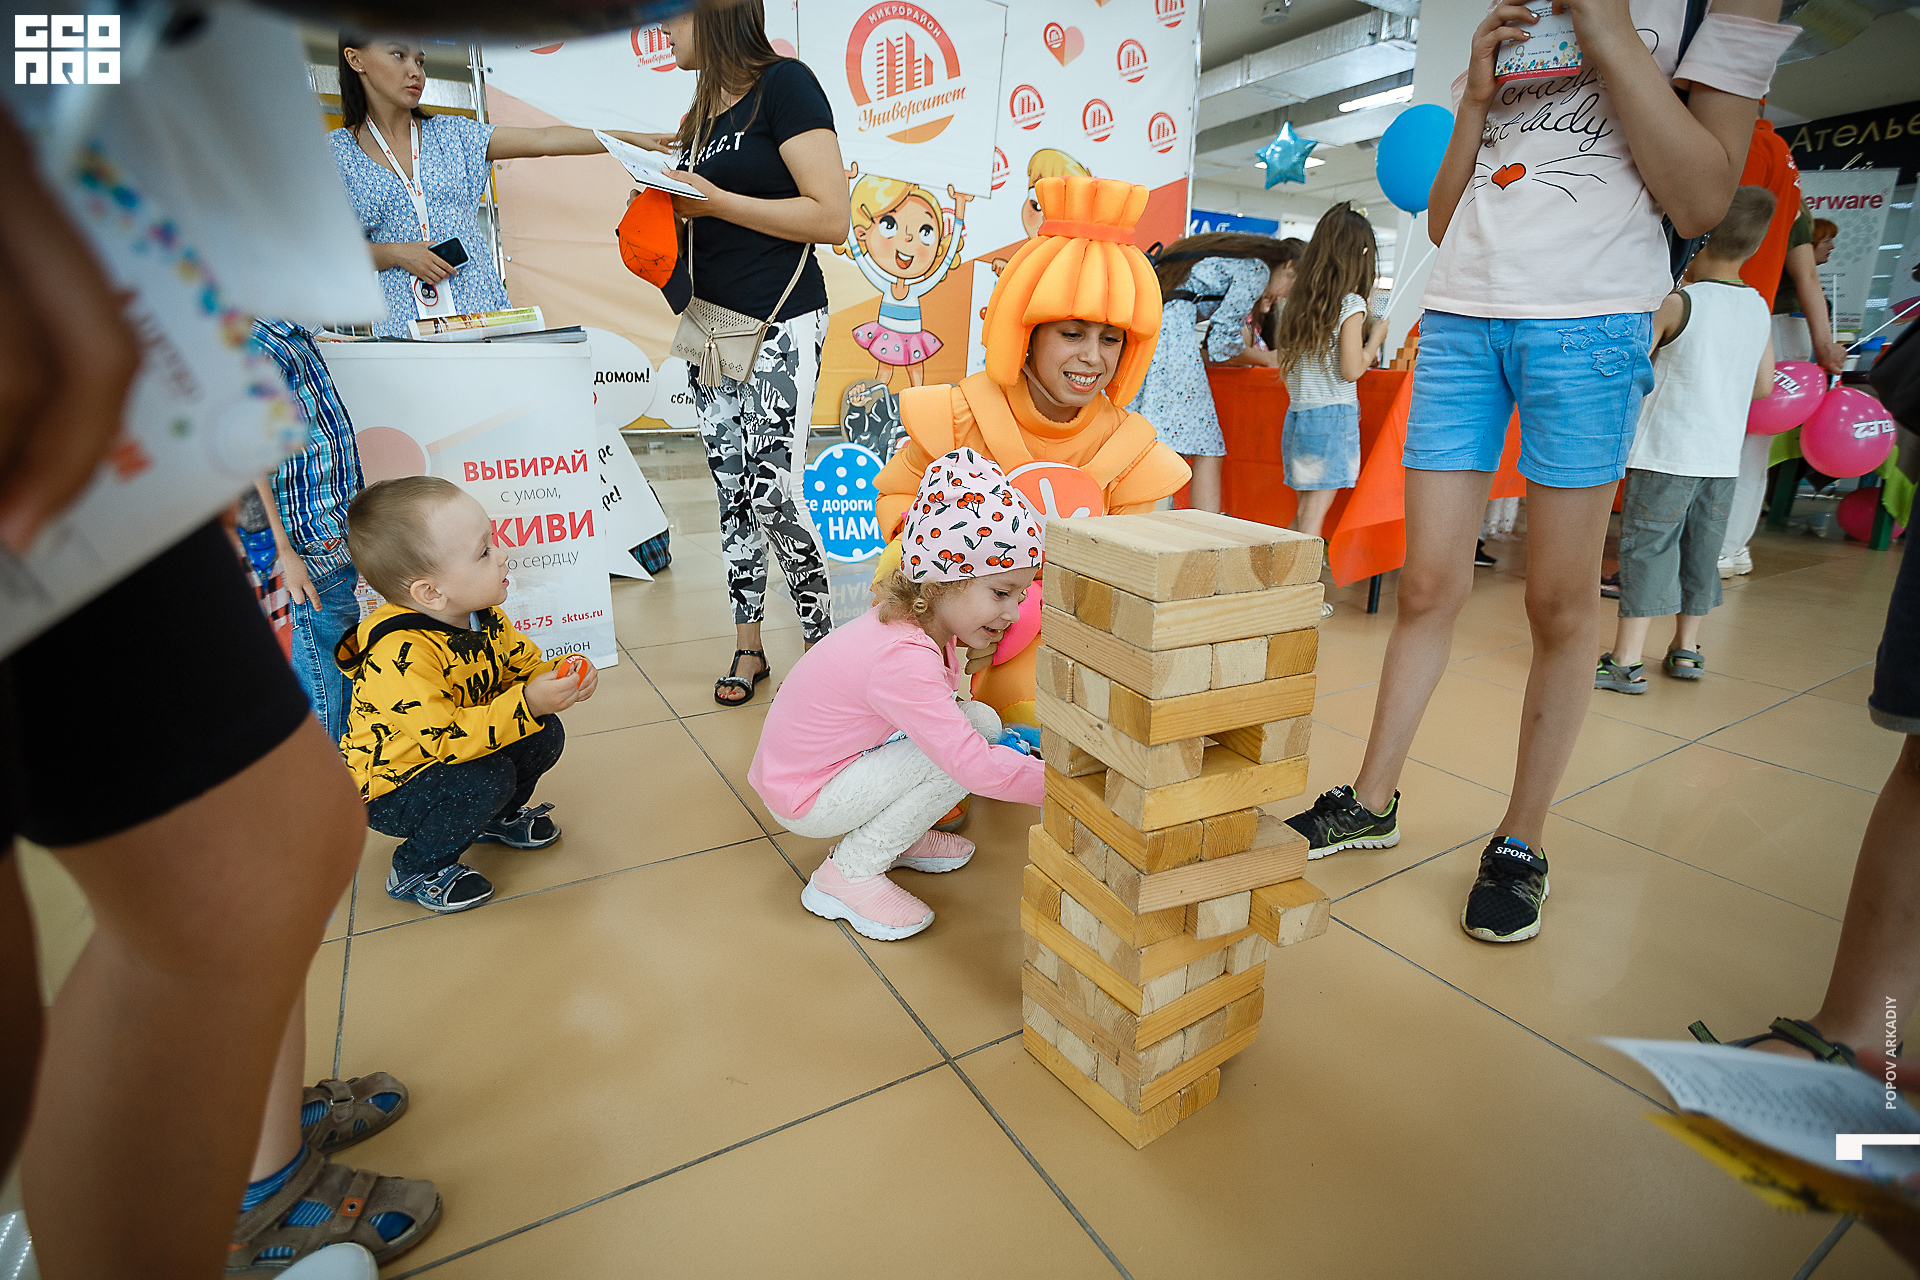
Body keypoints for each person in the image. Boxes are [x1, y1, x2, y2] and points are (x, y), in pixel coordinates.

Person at [1284, 0, 1796, 944]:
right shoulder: (1517, 14)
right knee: (1426, 584)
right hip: (1462, 320)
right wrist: (1476, 100)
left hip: (1594, 319)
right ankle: (1372, 799)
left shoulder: (1713, 9)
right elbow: (1447, 219)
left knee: (1559, 603)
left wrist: (1607, 27)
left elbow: (1700, 203)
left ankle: (1521, 840)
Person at [872, 175, 1191, 720]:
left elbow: (1126, 578)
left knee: (1040, 712)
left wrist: (1028, 609)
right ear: (1028, 332)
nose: (1092, 357)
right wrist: (956, 596)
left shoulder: (1129, 450)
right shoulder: (960, 416)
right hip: (942, 618)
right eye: (1072, 333)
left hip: (1062, 634)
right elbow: (901, 507)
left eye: (1110, 339)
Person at [749, 449, 1045, 941]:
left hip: (823, 769)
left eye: (1021, 594)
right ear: (943, 581)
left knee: (981, 723)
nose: (1014, 613)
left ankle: (896, 837)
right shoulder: (903, 657)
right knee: (956, 756)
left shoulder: (920, 626)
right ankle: (848, 874)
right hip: (806, 794)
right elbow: (969, 764)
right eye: (1000, 592)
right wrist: (1063, 786)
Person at [657, 2, 848, 704]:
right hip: (710, 328)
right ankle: (749, 647)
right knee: (731, 491)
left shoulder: (784, 84)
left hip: (778, 320)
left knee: (773, 492)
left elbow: (832, 216)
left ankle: (827, 653)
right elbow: (701, 215)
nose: (663, 30)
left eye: (673, 15)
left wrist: (715, 202)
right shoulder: (700, 117)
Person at [337, 477, 596, 914]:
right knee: (485, 778)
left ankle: (495, 818)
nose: (503, 554)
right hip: (392, 785)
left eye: (493, 541)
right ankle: (417, 867)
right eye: (484, 552)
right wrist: (528, 703)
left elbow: (523, 665)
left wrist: (560, 674)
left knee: (544, 733)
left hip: (458, 752)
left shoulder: (482, 617)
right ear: (431, 593)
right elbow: (448, 739)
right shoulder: (400, 655)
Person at [330, 32, 663, 337]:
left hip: (480, 314)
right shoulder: (336, 153)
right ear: (355, 59)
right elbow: (330, 251)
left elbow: (545, 139)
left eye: (420, 61)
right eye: (398, 55)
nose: (415, 71)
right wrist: (398, 254)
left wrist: (623, 139)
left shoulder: (453, 135)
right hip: (404, 328)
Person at [1596, 187, 1778, 694]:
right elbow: (1764, 386)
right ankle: (1686, 649)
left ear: (1697, 236)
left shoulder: (1679, 303)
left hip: (1666, 452)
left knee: (1648, 549)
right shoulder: (1757, 307)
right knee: (1702, 551)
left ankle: (1626, 660)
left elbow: (1630, 369)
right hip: (1721, 459)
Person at [250, 319, 366, 744]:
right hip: (306, 544)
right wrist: (283, 552)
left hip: (329, 534)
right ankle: (332, 781)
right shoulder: (258, 343)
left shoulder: (292, 334)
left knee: (340, 680)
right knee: (328, 694)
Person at [1131, 232, 1303, 513]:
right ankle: (1200, 528)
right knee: (1204, 446)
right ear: (1289, 266)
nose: (1283, 296)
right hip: (1171, 337)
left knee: (1165, 440)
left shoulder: (1231, 257)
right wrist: (1267, 358)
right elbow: (1223, 344)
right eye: (1291, 288)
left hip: (1154, 329)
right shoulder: (1257, 269)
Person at [1719, 200, 1847, 578]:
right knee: (1753, 449)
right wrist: (1823, 345)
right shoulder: (1791, 199)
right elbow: (1807, 276)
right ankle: (1733, 546)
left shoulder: (1780, 197)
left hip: (1765, 323)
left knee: (1735, 446)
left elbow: (1807, 276)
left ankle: (1722, 548)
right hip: (1779, 326)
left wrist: (1824, 345)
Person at [1272, 203, 1387, 611]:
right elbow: (1352, 369)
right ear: (1359, 254)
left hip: (1300, 416)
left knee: (1305, 512)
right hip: (1332, 418)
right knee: (1313, 518)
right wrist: (1375, 339)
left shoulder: (1299, 301)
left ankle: (1278, 587)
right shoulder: (1350, 304)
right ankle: (1298, 599)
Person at [840, 166, 970, 388]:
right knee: (883, 376)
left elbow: (947, 259)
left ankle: (919, 408)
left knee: (916, 379)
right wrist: (846, 184)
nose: (908, 238)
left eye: (926, 232)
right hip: (887, 336)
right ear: (864, 233)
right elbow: (855, 246)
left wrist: (960, 210)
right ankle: (873, 405)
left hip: (913, 338)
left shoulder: (918, 286)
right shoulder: (882, 280)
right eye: (889, 225)